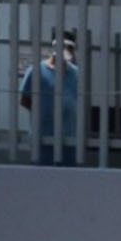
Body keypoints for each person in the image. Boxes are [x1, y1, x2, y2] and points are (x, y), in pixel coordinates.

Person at [17, 30, 80, 165]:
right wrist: (44, 112)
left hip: (68, 139)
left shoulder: (75, 73)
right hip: (44, 137)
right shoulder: (37, 71)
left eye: (70, 48)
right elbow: (25, 99)